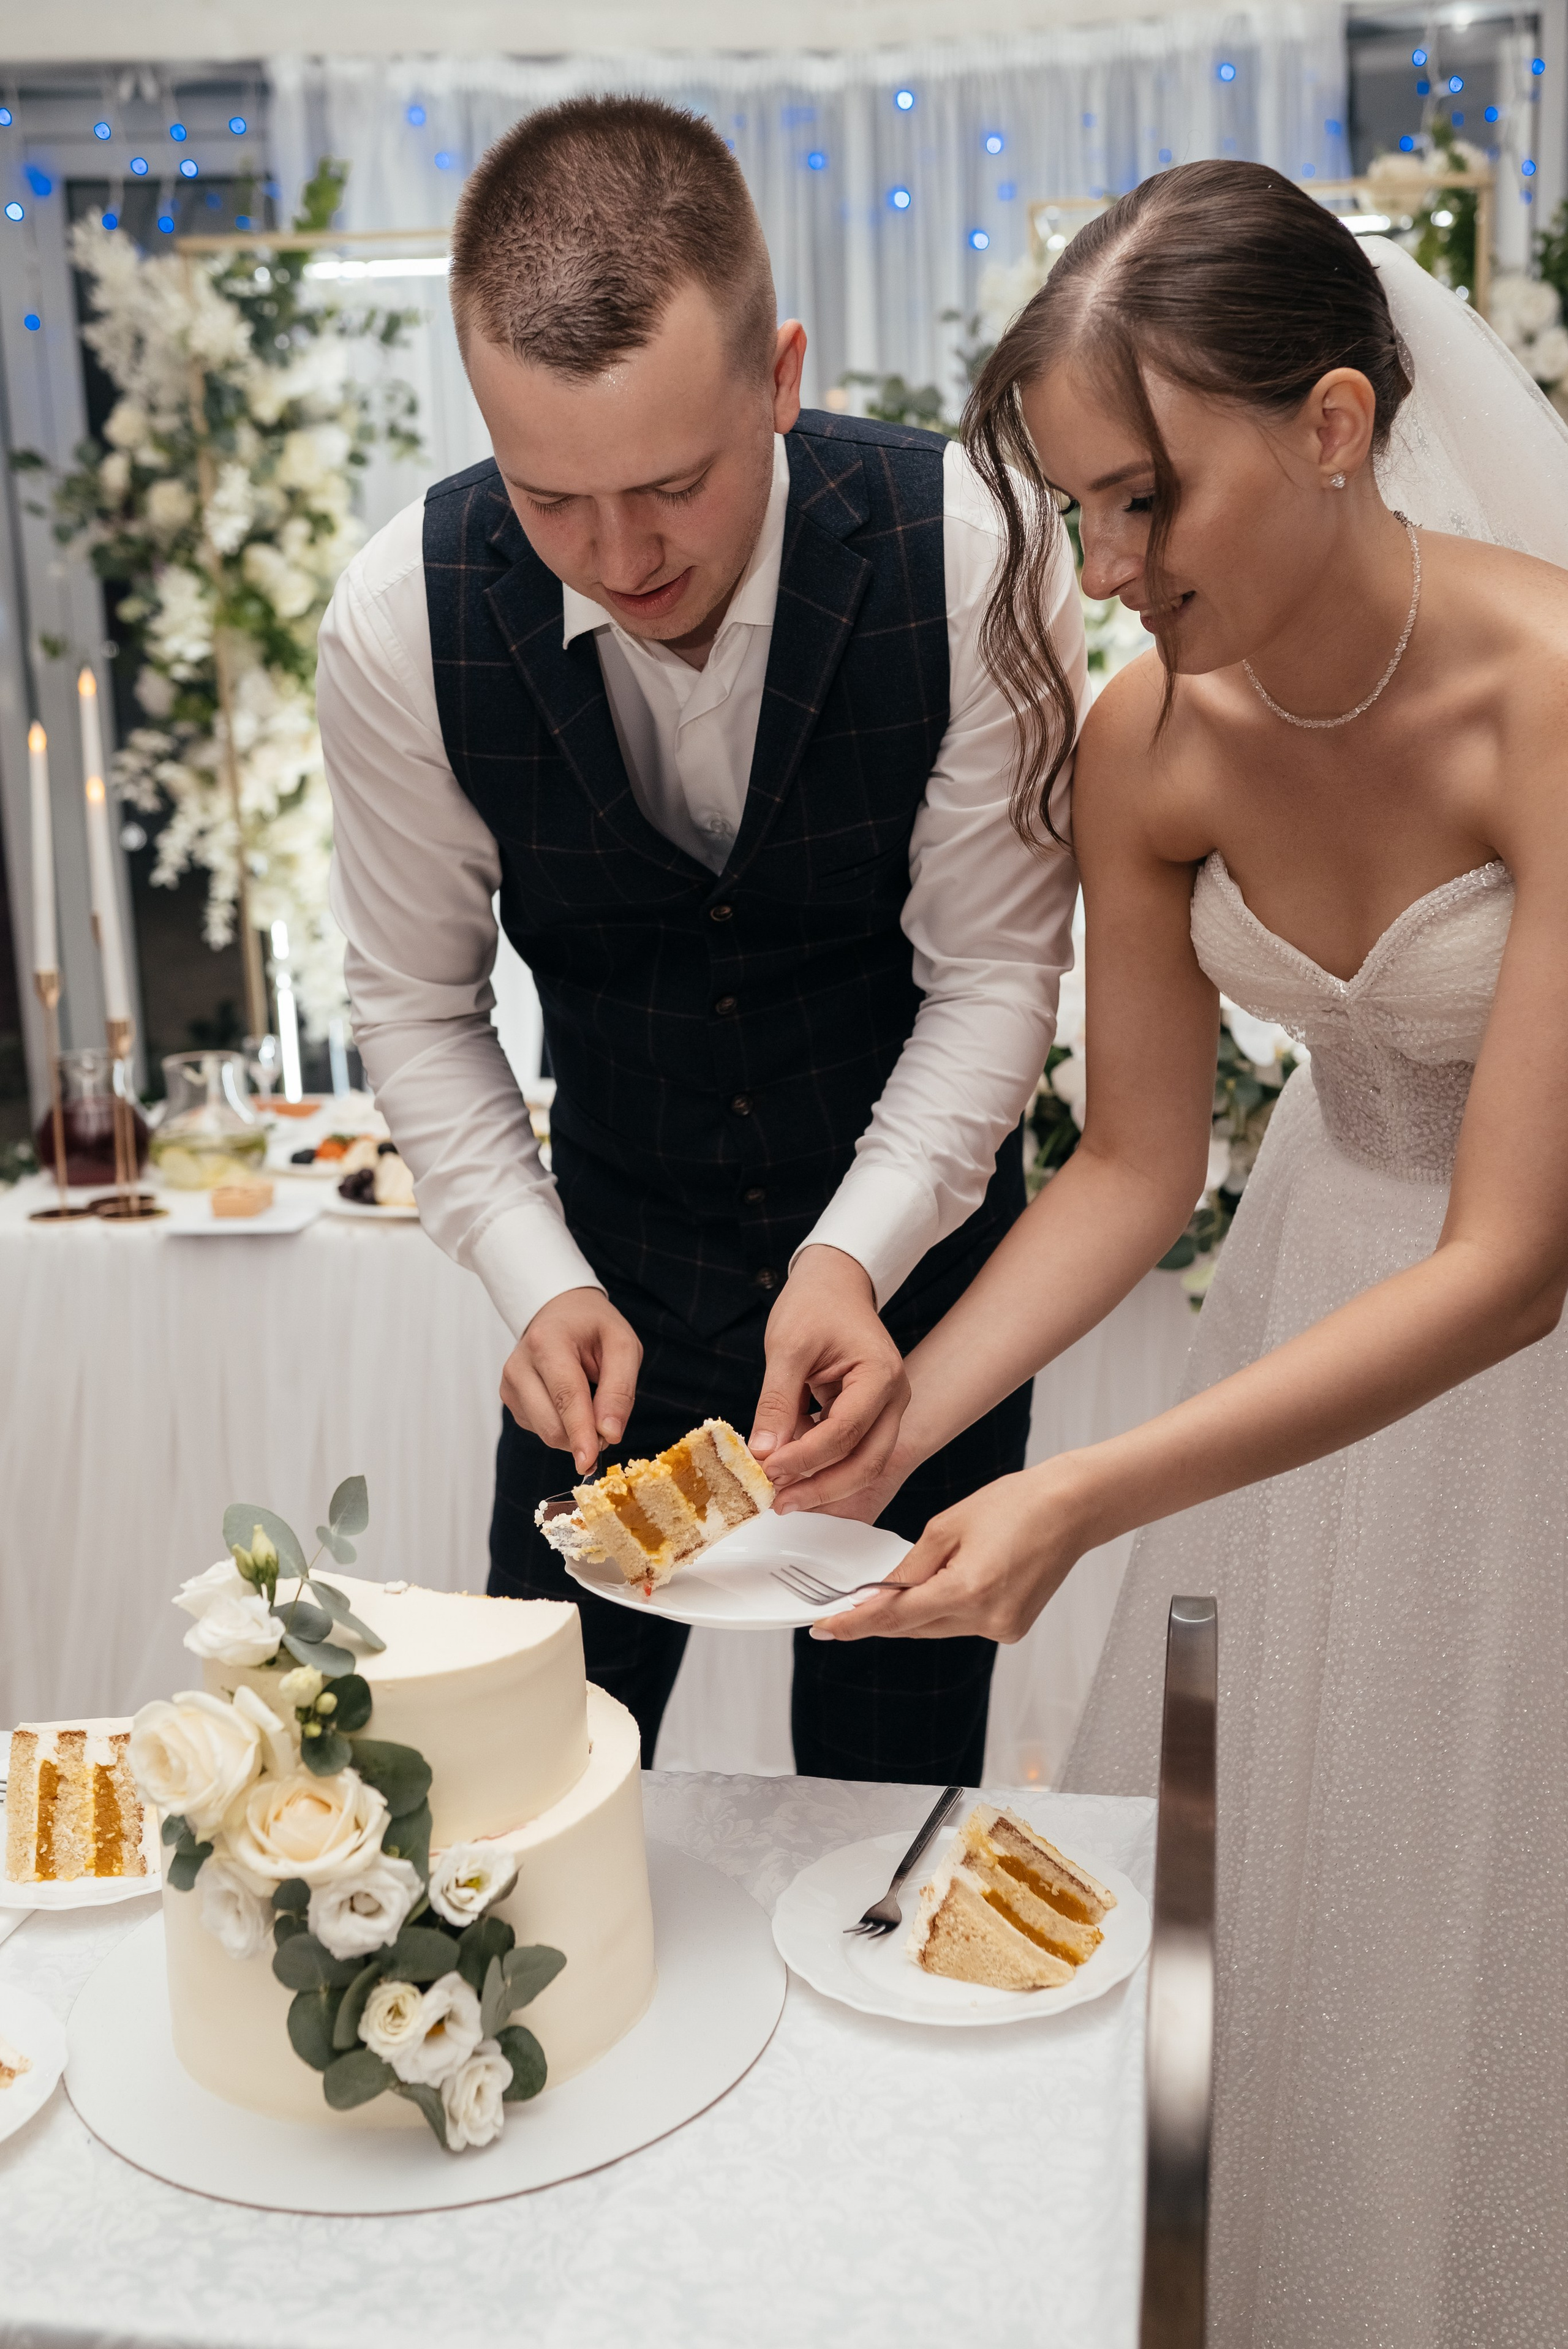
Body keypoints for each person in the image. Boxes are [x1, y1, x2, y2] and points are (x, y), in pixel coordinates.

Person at [773, 163, 1568, 2343]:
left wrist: (1093, 1488)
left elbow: (1517, 1261)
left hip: (1525, 1360)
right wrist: (912, 1413)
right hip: (1313, 1298)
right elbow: (1131, 1166)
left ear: (1332, 423)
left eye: (1148, 503)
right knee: (1295, 1902)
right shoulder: (1148, 737)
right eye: (1075, 513)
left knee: (1501, 1892)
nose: (1108, 574)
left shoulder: (1554, 692)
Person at [317, 95, 1086, 1783]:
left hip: (918, 1298)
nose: (618, 555)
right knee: (539, 1783)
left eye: (671, 484)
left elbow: (995, 977)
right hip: (614, 1282)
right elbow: (417, 1001)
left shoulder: (972, 558)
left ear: (781, 376)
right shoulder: (399, 623)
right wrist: (539, 1277)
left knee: (895, 1802)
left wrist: (851, 1254)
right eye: (551, 500)